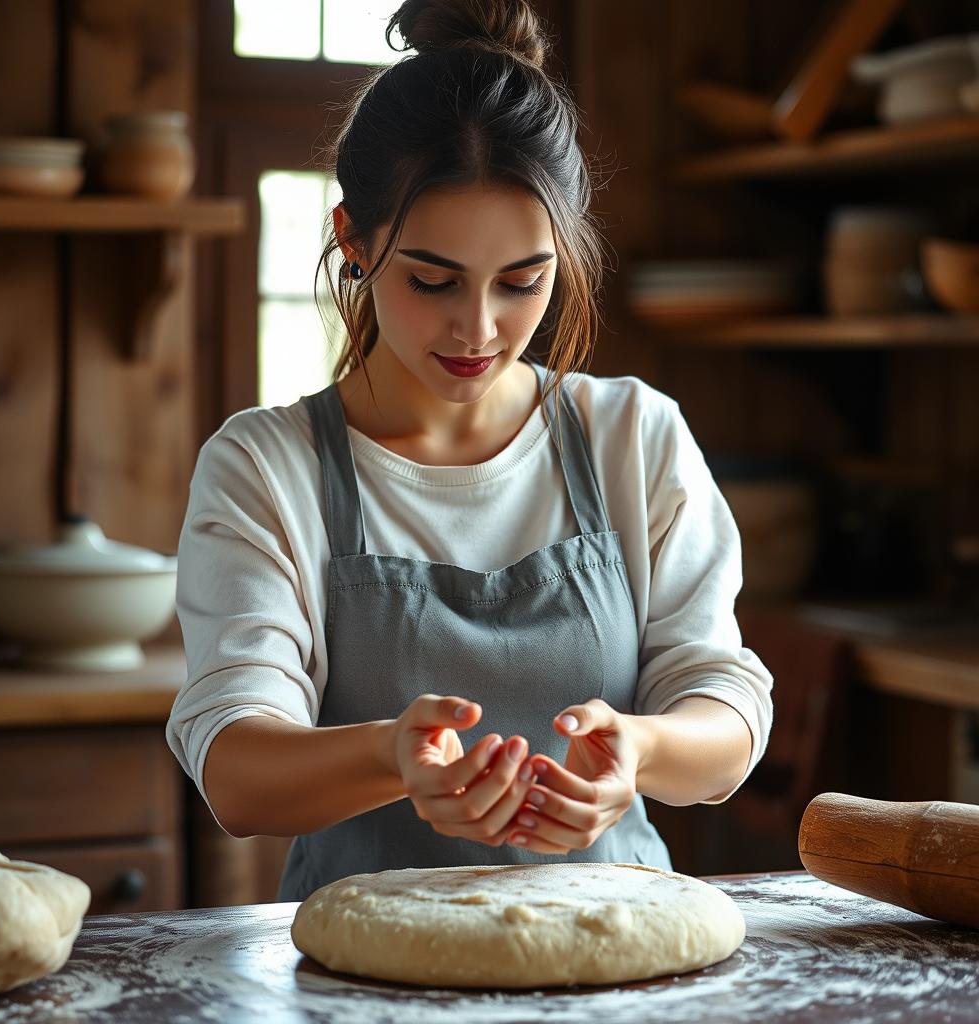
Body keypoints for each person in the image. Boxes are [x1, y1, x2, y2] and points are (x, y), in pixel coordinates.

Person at [166, 0, 773, 903]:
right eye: (432, 279)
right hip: (365, 975)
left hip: (619, 956)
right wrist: (390, 755)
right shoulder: (267, 467)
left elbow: (724, 712)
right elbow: (239, 772)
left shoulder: (631, 437)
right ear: (353, 241)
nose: (479, 329)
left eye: (523, 281)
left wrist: (639, 753)